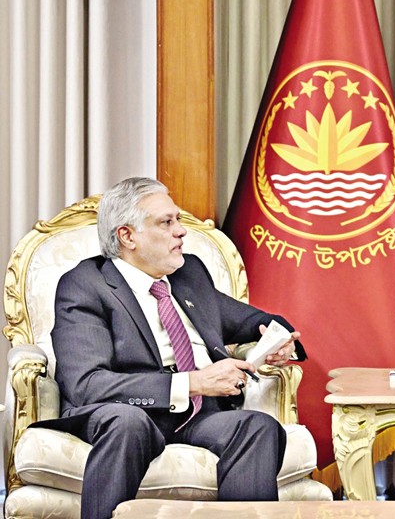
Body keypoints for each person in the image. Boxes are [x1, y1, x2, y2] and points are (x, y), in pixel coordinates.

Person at [34, 177, 308, 519]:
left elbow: (254, 319)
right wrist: (193, 383)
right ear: (127, 236)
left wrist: (276, 340)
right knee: (127, 422)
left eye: (177, 220)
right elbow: (87, 384)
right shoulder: (85, 285)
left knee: (256, 427)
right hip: (128, 412)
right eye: (167, 222)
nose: (181, 231)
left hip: (200, 415)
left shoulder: (188, 273)